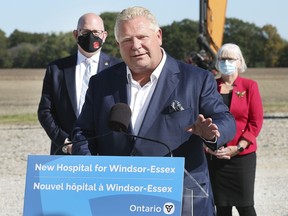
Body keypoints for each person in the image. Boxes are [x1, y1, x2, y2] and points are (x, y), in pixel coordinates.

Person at [72, 6, 236, 216]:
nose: (136, 46)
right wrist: (89, 169)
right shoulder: (101, 83)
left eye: (142, 37)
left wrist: (213, 133)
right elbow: (83, 132)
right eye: (127, 40)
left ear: (158, 36)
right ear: (118, 45)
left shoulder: (196, 79)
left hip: (181, 198)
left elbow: (226, 119)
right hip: (117, 197)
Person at [37, 13, 121, 155]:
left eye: (96, 32)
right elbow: (45, 111)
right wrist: (65, 143)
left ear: (104, 36)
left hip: (106, 157)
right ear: (76, 34)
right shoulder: (56, 69)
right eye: (85, 32)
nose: (91, 36)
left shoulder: (118, 68)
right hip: (66, 154)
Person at [205, 43, 263, 216]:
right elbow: (202, 118)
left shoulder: (249, 86)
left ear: (239, 62)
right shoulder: (210, 86)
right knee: (221, 207)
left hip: (241, 156)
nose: (226, 62)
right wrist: (208, 147)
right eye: (222, 59)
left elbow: (255, 122)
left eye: (230, 59)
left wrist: (238, 148)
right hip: (215, 156)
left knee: (245, 206)